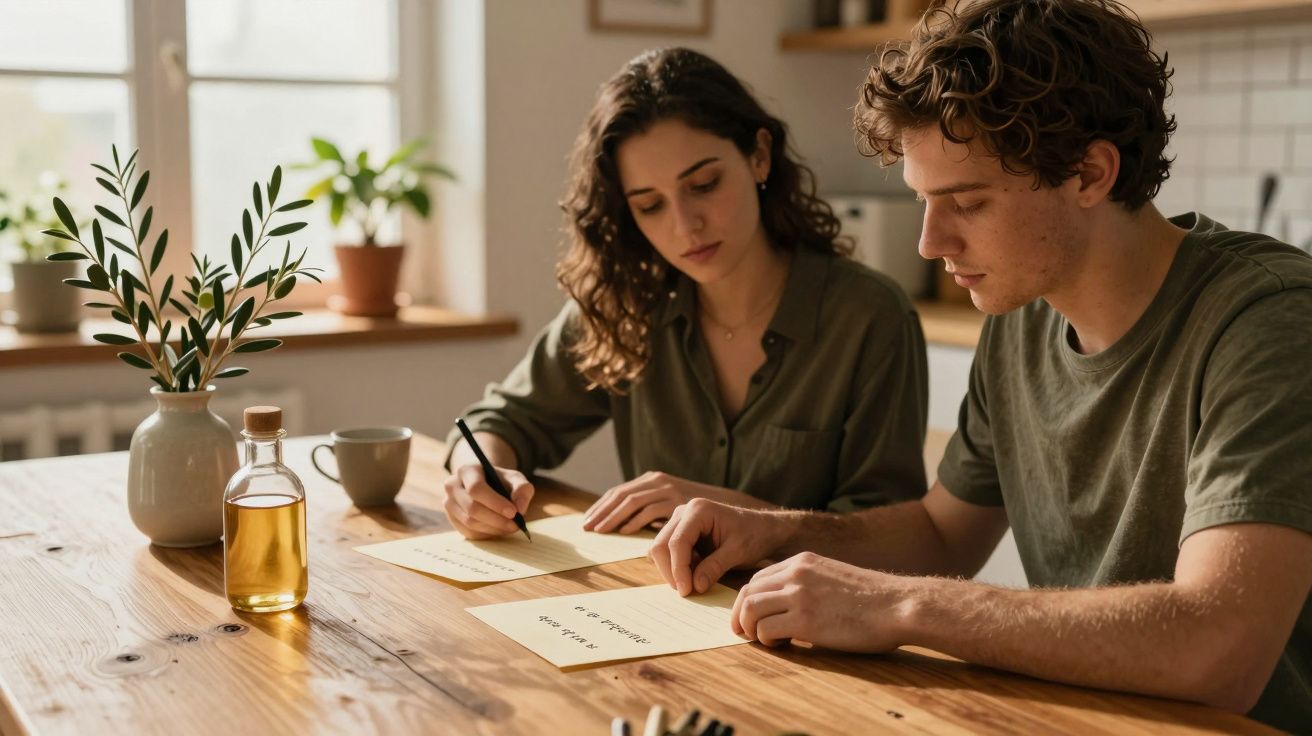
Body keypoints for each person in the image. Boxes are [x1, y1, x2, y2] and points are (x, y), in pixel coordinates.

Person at [647, 1, 1312, 730]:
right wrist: (773, 532)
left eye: (964, 202)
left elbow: (1219, 648)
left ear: (1090, 172)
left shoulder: (1270, 323)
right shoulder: (1023, 310)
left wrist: (900, 605)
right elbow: (941, 534)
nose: (931, 243)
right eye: (925, 202)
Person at [441, 48, 929, 540]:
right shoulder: (627, 303)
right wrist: (476, 474)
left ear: (759, 156)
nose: (685, 226)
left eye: (704, 184)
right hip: (654, 606)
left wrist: (722, 508)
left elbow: (893, 536)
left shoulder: (870, 318)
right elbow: (501, 421)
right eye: (650, 205)